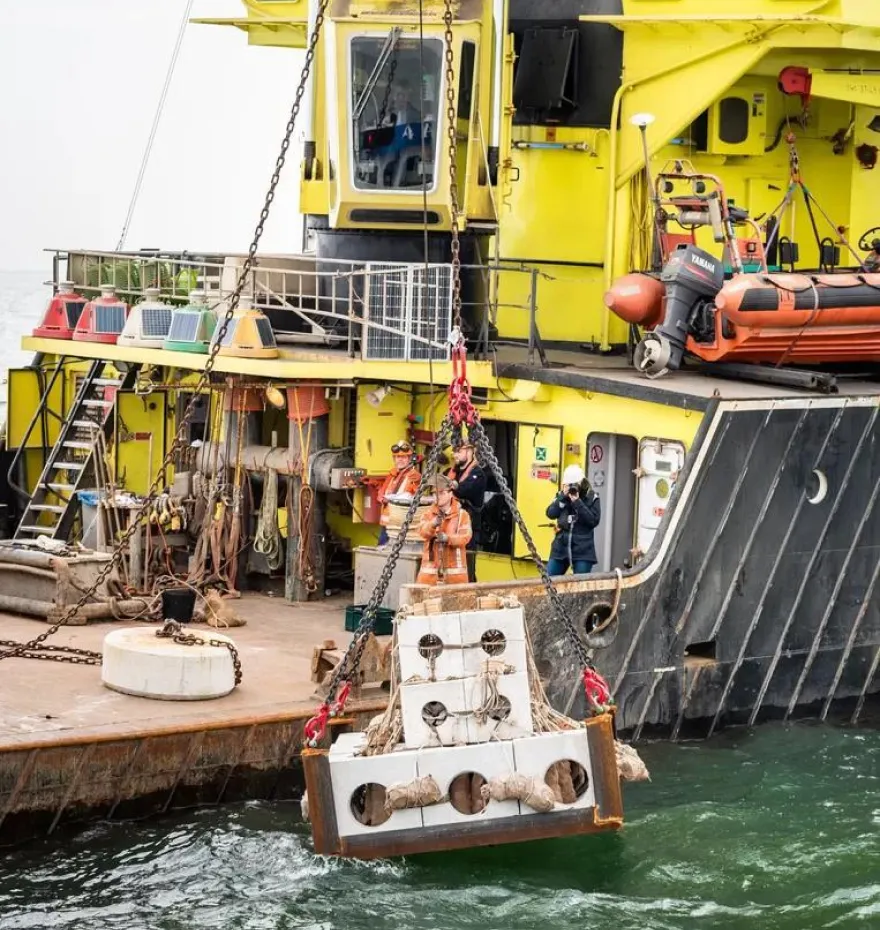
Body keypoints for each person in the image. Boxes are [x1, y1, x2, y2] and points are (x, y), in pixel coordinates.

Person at [417, 474, 472, 585]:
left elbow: (465, 537)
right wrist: (432, 524)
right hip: (429, 578)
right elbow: (422, 532)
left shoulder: (462, 515)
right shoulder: (428, 515)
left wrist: (448, 538)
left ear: (451, 494)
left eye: (442, 493)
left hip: (455, 579)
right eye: (435, 493)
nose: (438, 497)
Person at [546, 464, 601, 576]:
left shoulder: (591, 497)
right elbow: (550, 514)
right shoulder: (561, 496)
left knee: (580, 585)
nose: (572, 488)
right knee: (549, 581)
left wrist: (577, 502)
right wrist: (562, 498)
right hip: (561, 546)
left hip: (583, 547)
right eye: (568, 485)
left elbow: (593, 521)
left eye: (574, 485)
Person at [447, 436, 486, 583]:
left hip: (468, 528)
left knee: (467, 565)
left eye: (458, 451)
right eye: (454, 451)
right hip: (450, 526)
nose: (455, 455)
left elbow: (464, 490)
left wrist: (451, 485)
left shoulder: (477, 474)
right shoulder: (454, 472)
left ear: (470, 451)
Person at [377, 439, 421, 545]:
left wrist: (418, 481)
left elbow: (414, 498)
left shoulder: (414, 476)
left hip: (401, 524)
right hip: (387, 524)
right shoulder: (392, 474)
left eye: (403, 457)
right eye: (397, 457)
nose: (399, 460)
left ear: (409, 459)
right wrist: (381, 497)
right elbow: (382, 493)